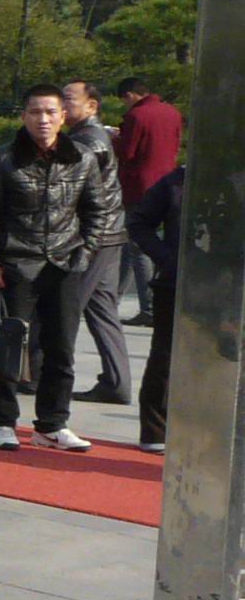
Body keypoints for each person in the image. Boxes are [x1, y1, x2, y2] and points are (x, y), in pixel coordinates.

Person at [0, 85, 119, 453]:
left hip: (65, 264)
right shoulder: (3, 159)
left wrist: (84, 254)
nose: (43, 119)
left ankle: (52, 424)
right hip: (16, 264)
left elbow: (97, 210)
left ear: (63, 116)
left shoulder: (82, 158)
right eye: (35, 112)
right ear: (23, 116)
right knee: (8, 347)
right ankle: (2, 423)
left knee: (61, 349)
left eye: (51, 112)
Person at [60, 80, 132, 404]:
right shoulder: (90, 136)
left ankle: (45, 374)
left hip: (94, 237)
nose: (61, 105)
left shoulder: (87, 142)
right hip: (109, 233)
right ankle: (116, 383)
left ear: (91, 106)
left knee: (67, 305)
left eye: (68, 99)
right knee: (102, 310)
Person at [113, 78, 183, 325]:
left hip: (140, 185)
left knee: (137, 244)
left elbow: (126, 152)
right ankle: (113, 298)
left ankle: (149, 307)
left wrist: (114, 137)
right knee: (131, 244)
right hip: (169, 184)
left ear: (130, 95)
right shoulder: (172, 112)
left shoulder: (137, 116)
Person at [130, 164, 184, 454]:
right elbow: (139, 223)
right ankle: (155, 431)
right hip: (177, 283)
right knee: (165, 356)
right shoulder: (177, 182)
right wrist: (167, 258)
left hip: (232, 287)